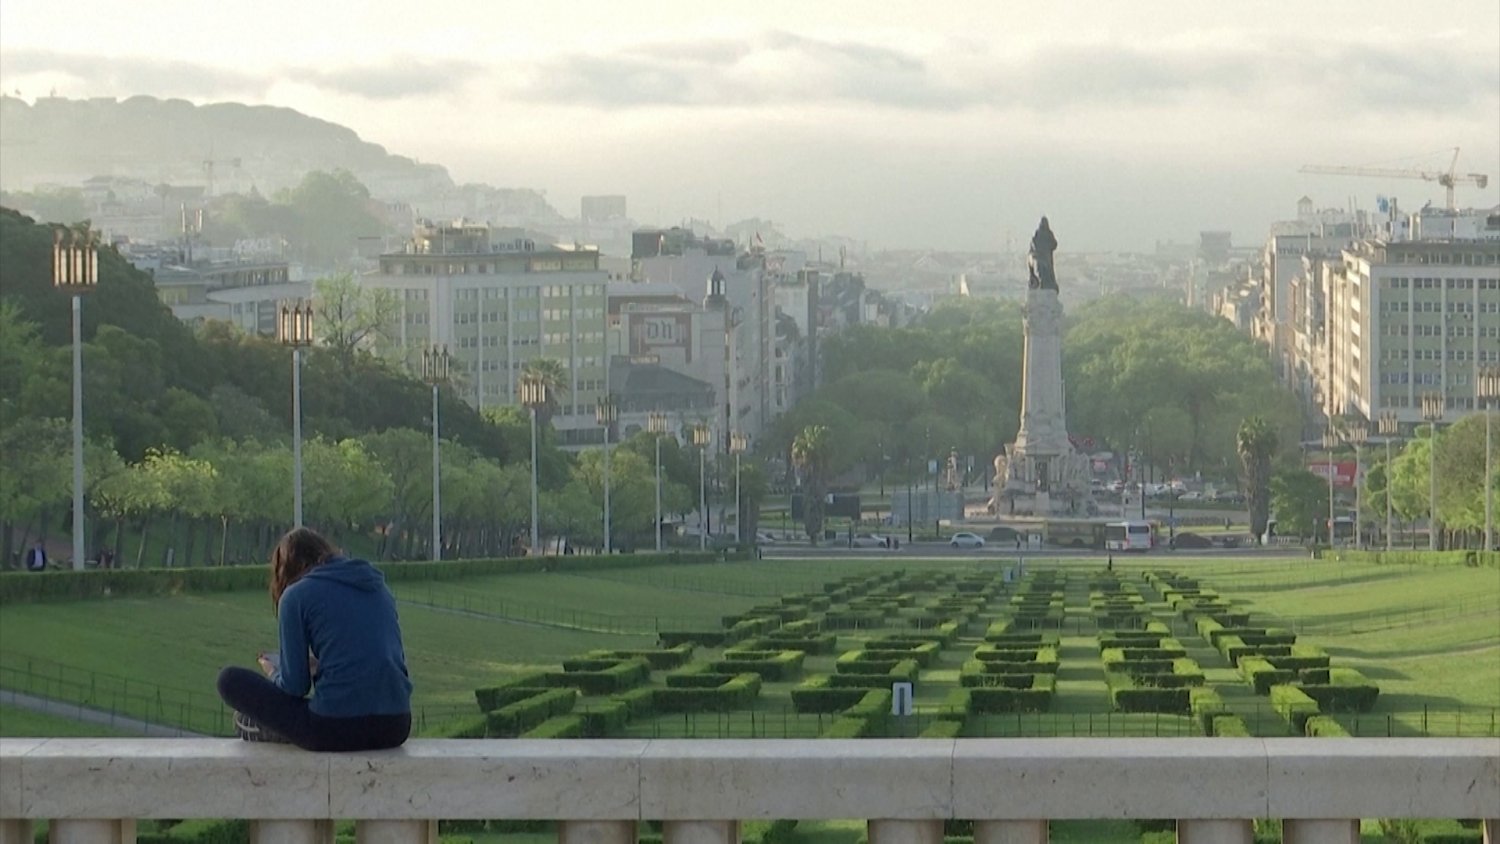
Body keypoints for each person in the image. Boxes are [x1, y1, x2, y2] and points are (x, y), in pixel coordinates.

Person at [217, 528, 412, 751]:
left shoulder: (296, 595)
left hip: (335, 728)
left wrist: (274, 672)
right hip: (396, 726)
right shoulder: (379, 587)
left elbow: (294, 687)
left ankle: (271, 728)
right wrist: (320, 668)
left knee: (228, 680)